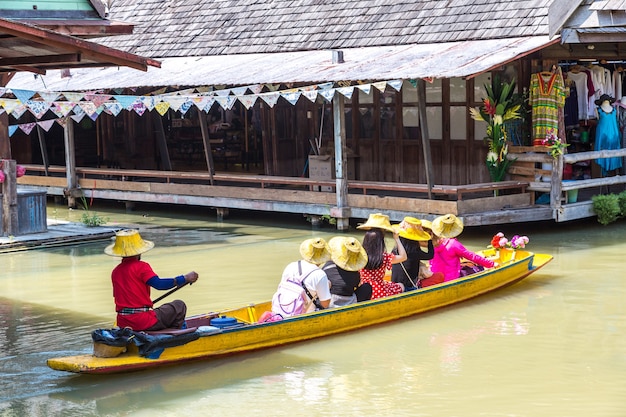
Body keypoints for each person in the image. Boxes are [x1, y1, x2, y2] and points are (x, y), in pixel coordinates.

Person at [104, 229, 199, 332]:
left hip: (123, 322)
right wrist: (184, 278)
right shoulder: (141, 266)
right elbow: (159, 284)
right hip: (142, 321)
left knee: (160, 310)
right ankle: (171, 333)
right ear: (139, 251)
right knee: (179, 305)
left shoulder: (115, 271)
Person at [270, 237, 332, 318]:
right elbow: (325, 304)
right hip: (303, 315)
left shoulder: (290, 266)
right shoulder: (320, 274)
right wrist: (326, 287)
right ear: (323, 256)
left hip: (278, 312)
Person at [429, 214, 495, 282]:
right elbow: (472, 256)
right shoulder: (453, 244)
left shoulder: (431, 244)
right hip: (452, 278)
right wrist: (492, 264)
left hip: (437, 278)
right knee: (478, 268)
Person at [357, 213, 407, 299]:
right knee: (401, 286)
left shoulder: (360, 256)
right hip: (380, 291)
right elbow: (403, 257)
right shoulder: (384, 257)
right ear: (381, 242)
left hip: (364, 290)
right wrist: (397, 239)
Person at [323, 236, 371, 307]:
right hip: (349, 302)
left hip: (330, 303)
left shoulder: (327, 266)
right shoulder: (354, 273)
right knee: (367, 287)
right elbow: (356, 286)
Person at [390, 217, 435, 291]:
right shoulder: (414, 252)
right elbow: (430, 255)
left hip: (395, 285)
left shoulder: (395, 250)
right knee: (439, 276)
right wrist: (429, 240)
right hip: (408, 288)